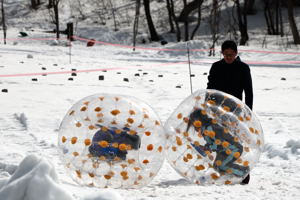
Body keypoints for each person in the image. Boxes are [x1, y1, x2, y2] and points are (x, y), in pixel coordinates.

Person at [206, 40, 253, 184]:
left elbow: (249, 92)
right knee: (220, 140)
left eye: (231, 54)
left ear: (236, 53)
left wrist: (248, 111)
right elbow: (210, 88)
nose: (228, 57)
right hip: (218, 110)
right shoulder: (216, 67)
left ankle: (243, 172)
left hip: (235, 111)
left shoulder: (243, 68)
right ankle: (223, 168)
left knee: (234, 142)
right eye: (226, 54)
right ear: (222, 53)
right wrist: (207, 106)